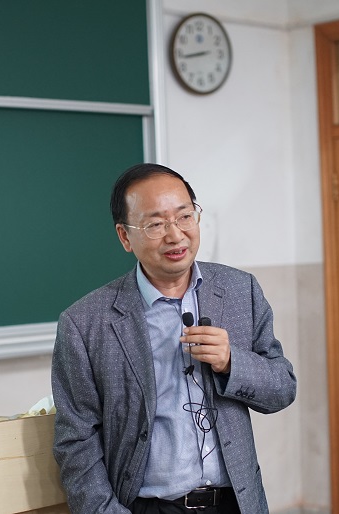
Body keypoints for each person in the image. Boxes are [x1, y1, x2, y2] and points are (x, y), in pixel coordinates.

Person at [51, 163, 297, 514]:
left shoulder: (240, 291)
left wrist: (232, 362)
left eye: (184, 216)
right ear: (125, 236)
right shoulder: (85, 323)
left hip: (236, 502)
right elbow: (76, 440)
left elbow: (282, 389)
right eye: (155, 224)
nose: (175, 234)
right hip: (147, 506)